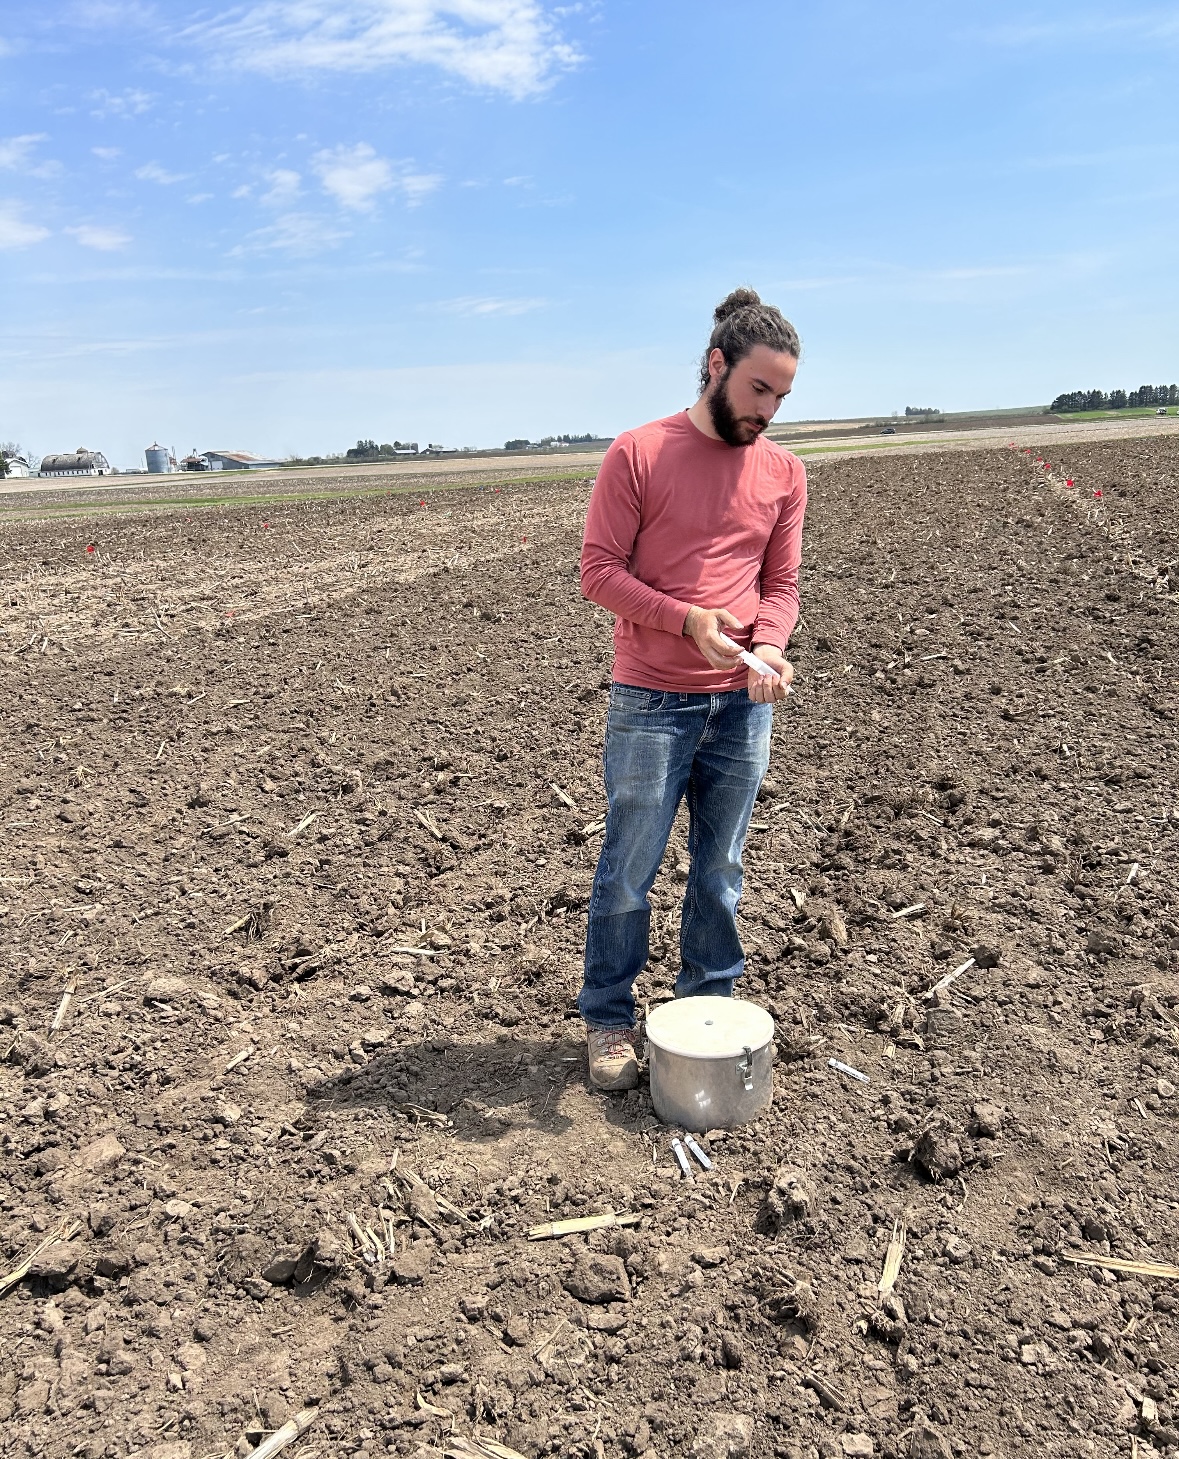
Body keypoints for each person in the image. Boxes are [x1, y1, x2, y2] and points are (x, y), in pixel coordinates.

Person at [577, 287, 807, 1091]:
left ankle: (706, 1009)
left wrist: (768, 646)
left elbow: (780, 585)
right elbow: (597, 572)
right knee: (629, 865)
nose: (767, 410)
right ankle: (608, 1016)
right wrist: (685, 620)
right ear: (716, 365)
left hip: (741, 705)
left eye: (780, 397)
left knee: (720, 868)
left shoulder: (783, 472)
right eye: (757, 389)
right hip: (652, 701)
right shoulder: (638, 452)